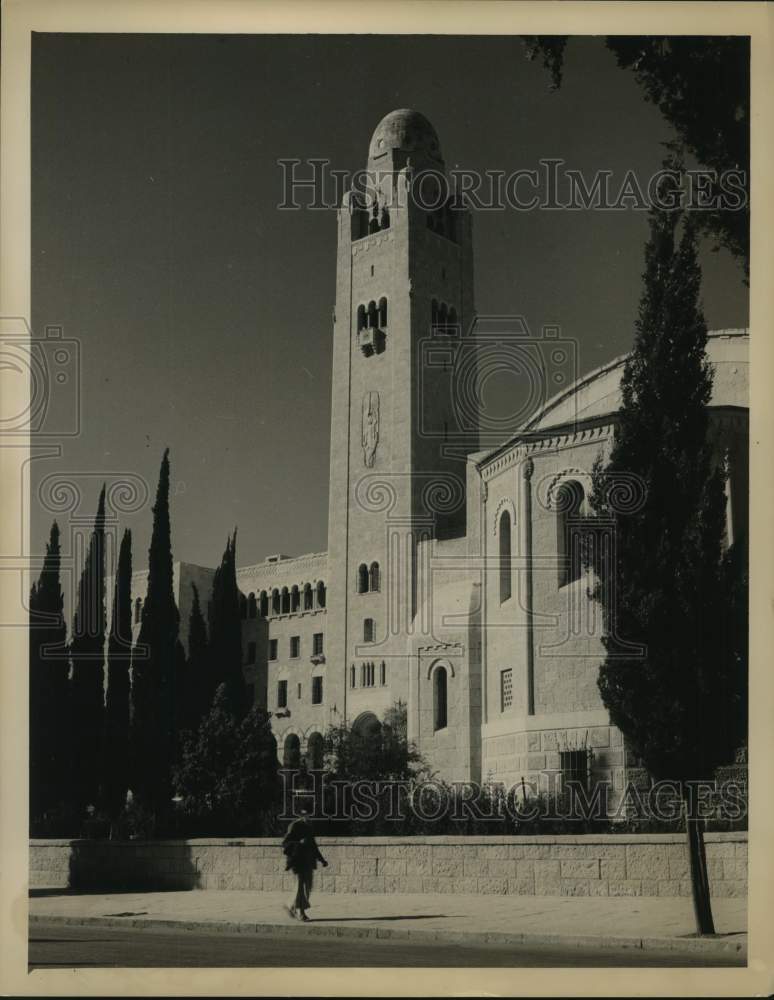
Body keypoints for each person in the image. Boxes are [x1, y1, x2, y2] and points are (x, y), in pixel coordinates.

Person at [281, 808, 328, 921]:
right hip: (297, 861)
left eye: (309, 815)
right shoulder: (294, 826)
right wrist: (299, 843)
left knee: (308, 887)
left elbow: (313, 846)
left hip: (308, 861)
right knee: (300, 887)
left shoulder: (309, 827)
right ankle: (301, 913)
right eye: (306, 815)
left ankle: (291, 905)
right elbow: (285, 843)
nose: (308, 817)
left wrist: (322, 860)